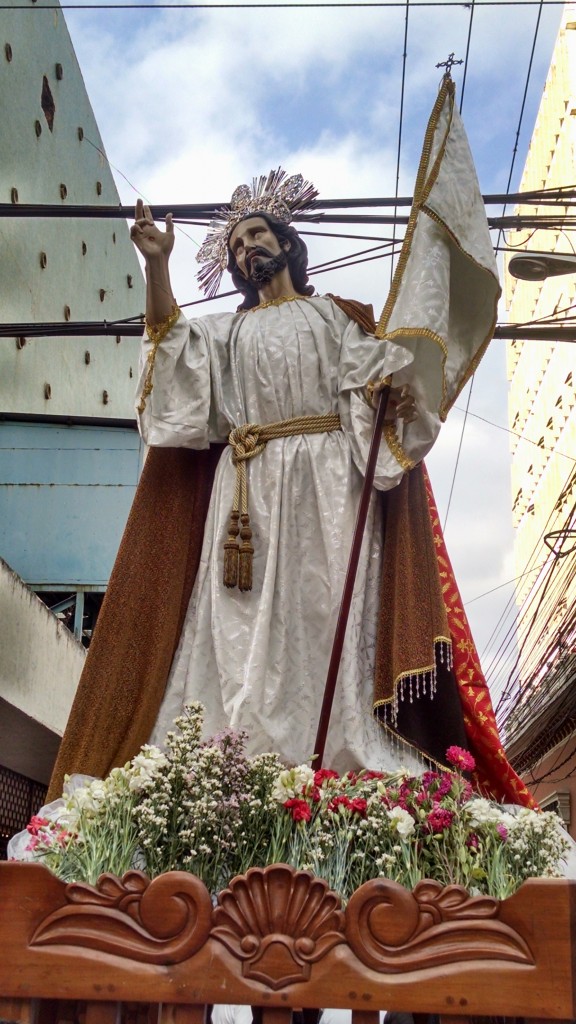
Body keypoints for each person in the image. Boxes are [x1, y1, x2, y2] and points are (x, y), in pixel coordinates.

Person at [47, 167, 535, 808]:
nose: (247, 248)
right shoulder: (225, 332)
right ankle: (234, 766)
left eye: (257, 235)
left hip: (327, 489)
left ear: (287, 243)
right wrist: (156, 267)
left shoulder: (335, 317)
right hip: (245, 492)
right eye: (236, 246)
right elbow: (172, 360)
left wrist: (388, 393)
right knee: (236, 635)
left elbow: (383, 378)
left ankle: (338, 767)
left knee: (324, 613)